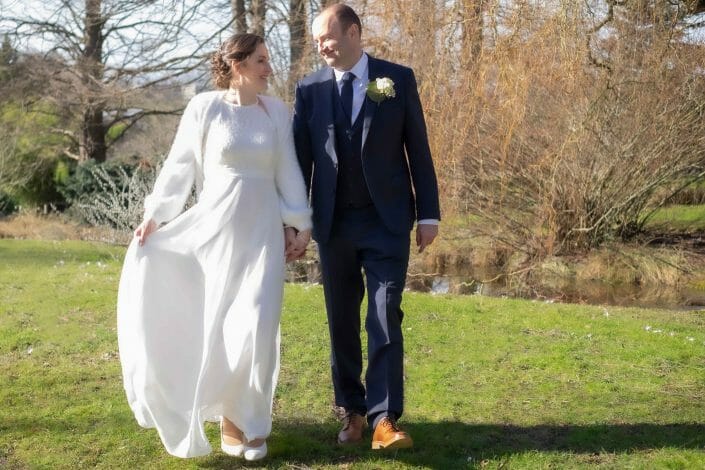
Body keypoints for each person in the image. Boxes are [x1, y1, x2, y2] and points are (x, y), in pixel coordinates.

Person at [116, 33, 312, 460]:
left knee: (257, 325)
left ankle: (252, 424)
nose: (269, 68)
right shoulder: (204, 108)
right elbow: (179, 165)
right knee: (222, 327)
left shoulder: (276, 112)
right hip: (214, 232)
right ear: (238, 64)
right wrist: (156, 215)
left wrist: (299, 223)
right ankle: (229, 420)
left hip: (262, 233)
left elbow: (289, 171)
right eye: (261, 60)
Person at [292, 3, 440, 450]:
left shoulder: (396, 79)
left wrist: (429, 213)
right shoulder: (309, 89)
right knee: (340, 319)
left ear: (354, 32)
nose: (322, 46)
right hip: (333, 223)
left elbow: (419, 147)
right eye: (317, 41)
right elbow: (300, 163)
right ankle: (352, 412)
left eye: (328, 37)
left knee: (384, 313)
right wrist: (295, 223)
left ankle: (384, 420)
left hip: (387, 221)